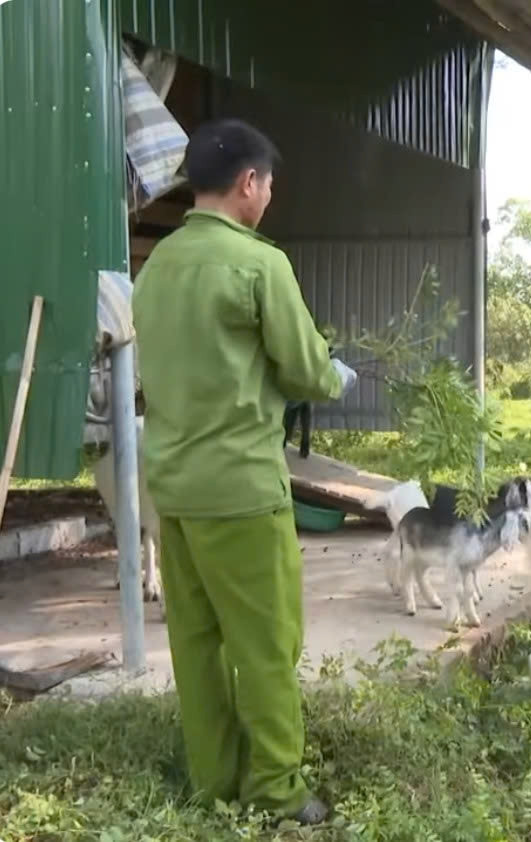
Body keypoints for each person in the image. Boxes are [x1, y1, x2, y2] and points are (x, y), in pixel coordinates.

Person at [131, 118, 357, 825]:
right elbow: (306, 370)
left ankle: (215, 782)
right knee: (264, 647)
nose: (270, 197)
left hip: (175, 489)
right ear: (248, 183)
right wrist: (335, 374)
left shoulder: (156, 267)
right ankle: (277, 791)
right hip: (241, 490)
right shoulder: (260, 265)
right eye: (269, 184)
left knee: (196, 645)